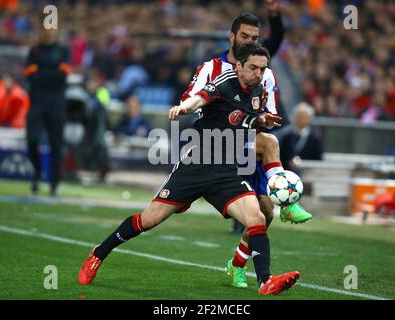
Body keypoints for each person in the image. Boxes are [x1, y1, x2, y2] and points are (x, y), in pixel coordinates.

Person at [78, 43, 300, 295]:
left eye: (262, 69)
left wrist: (260, 120)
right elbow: (201, 98)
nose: (258, 74)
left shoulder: (258, 90)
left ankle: (265, 281)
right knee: (149, 219)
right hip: (196, 165)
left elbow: (240, 118)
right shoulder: (224, 83)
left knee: (257, 217)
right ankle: (99, 252)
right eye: (252, 68)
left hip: (225, 172)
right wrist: (185, 107)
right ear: (238, 65)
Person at [180, 12, 312, 288]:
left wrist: (255, 119)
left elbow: (269, 117)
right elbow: (192, 101)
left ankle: (237, 265)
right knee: (269, 147)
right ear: (232, 37)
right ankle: (288, 201)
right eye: (244, 37)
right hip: (214, 147)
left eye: (254, 38)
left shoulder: (265, 75)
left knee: (265, 214)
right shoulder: (211, 69)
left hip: (247, 145)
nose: (248, 41)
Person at [24, 28, 71, 196]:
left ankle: (54, 182)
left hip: (56, 104)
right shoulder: (34, 51)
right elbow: (29, 74)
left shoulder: (63, 51)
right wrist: (51, 75)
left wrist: (41, 75)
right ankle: (37, 173)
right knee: (31, 140)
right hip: (37, 103)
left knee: (56, 145)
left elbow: (63, 75)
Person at [279, 102, 323, 172]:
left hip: (307, 174)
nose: (301, 119)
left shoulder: (314, 139)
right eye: (299, 116)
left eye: (304, 117)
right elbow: (281, 157)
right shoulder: (287, 138)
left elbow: (318, 160)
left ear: (310, 119)